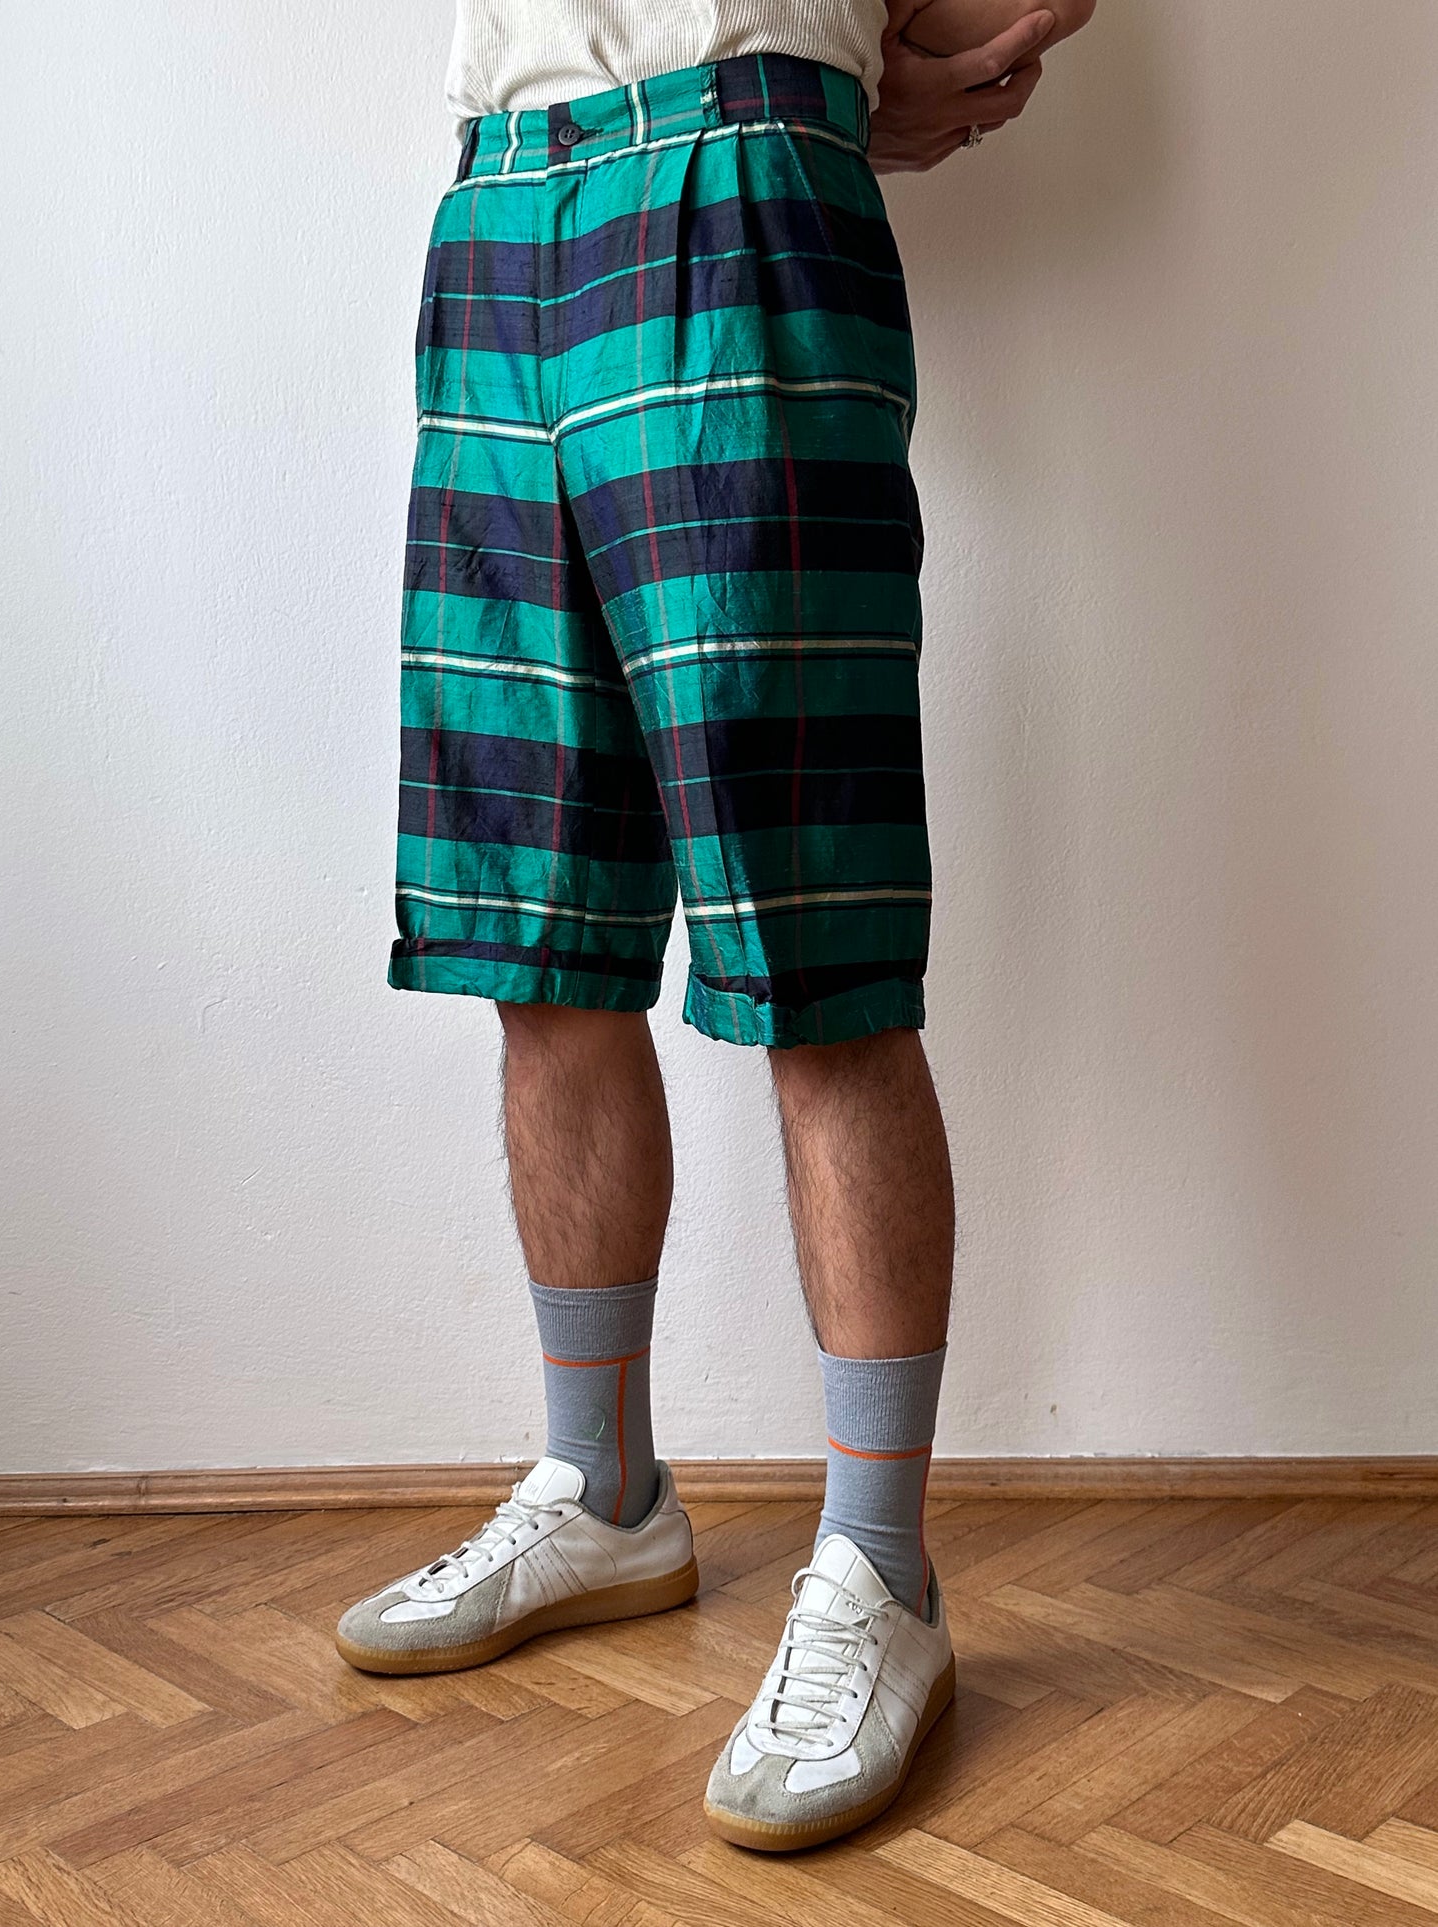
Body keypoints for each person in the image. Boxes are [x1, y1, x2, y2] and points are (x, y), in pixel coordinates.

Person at [338, 0, 1091, 1852]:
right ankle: (601, 1493)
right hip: (494, 213)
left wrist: (907, 53)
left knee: (808, 940)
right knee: (533, 931)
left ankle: (880, 1575)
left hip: (743, 174)